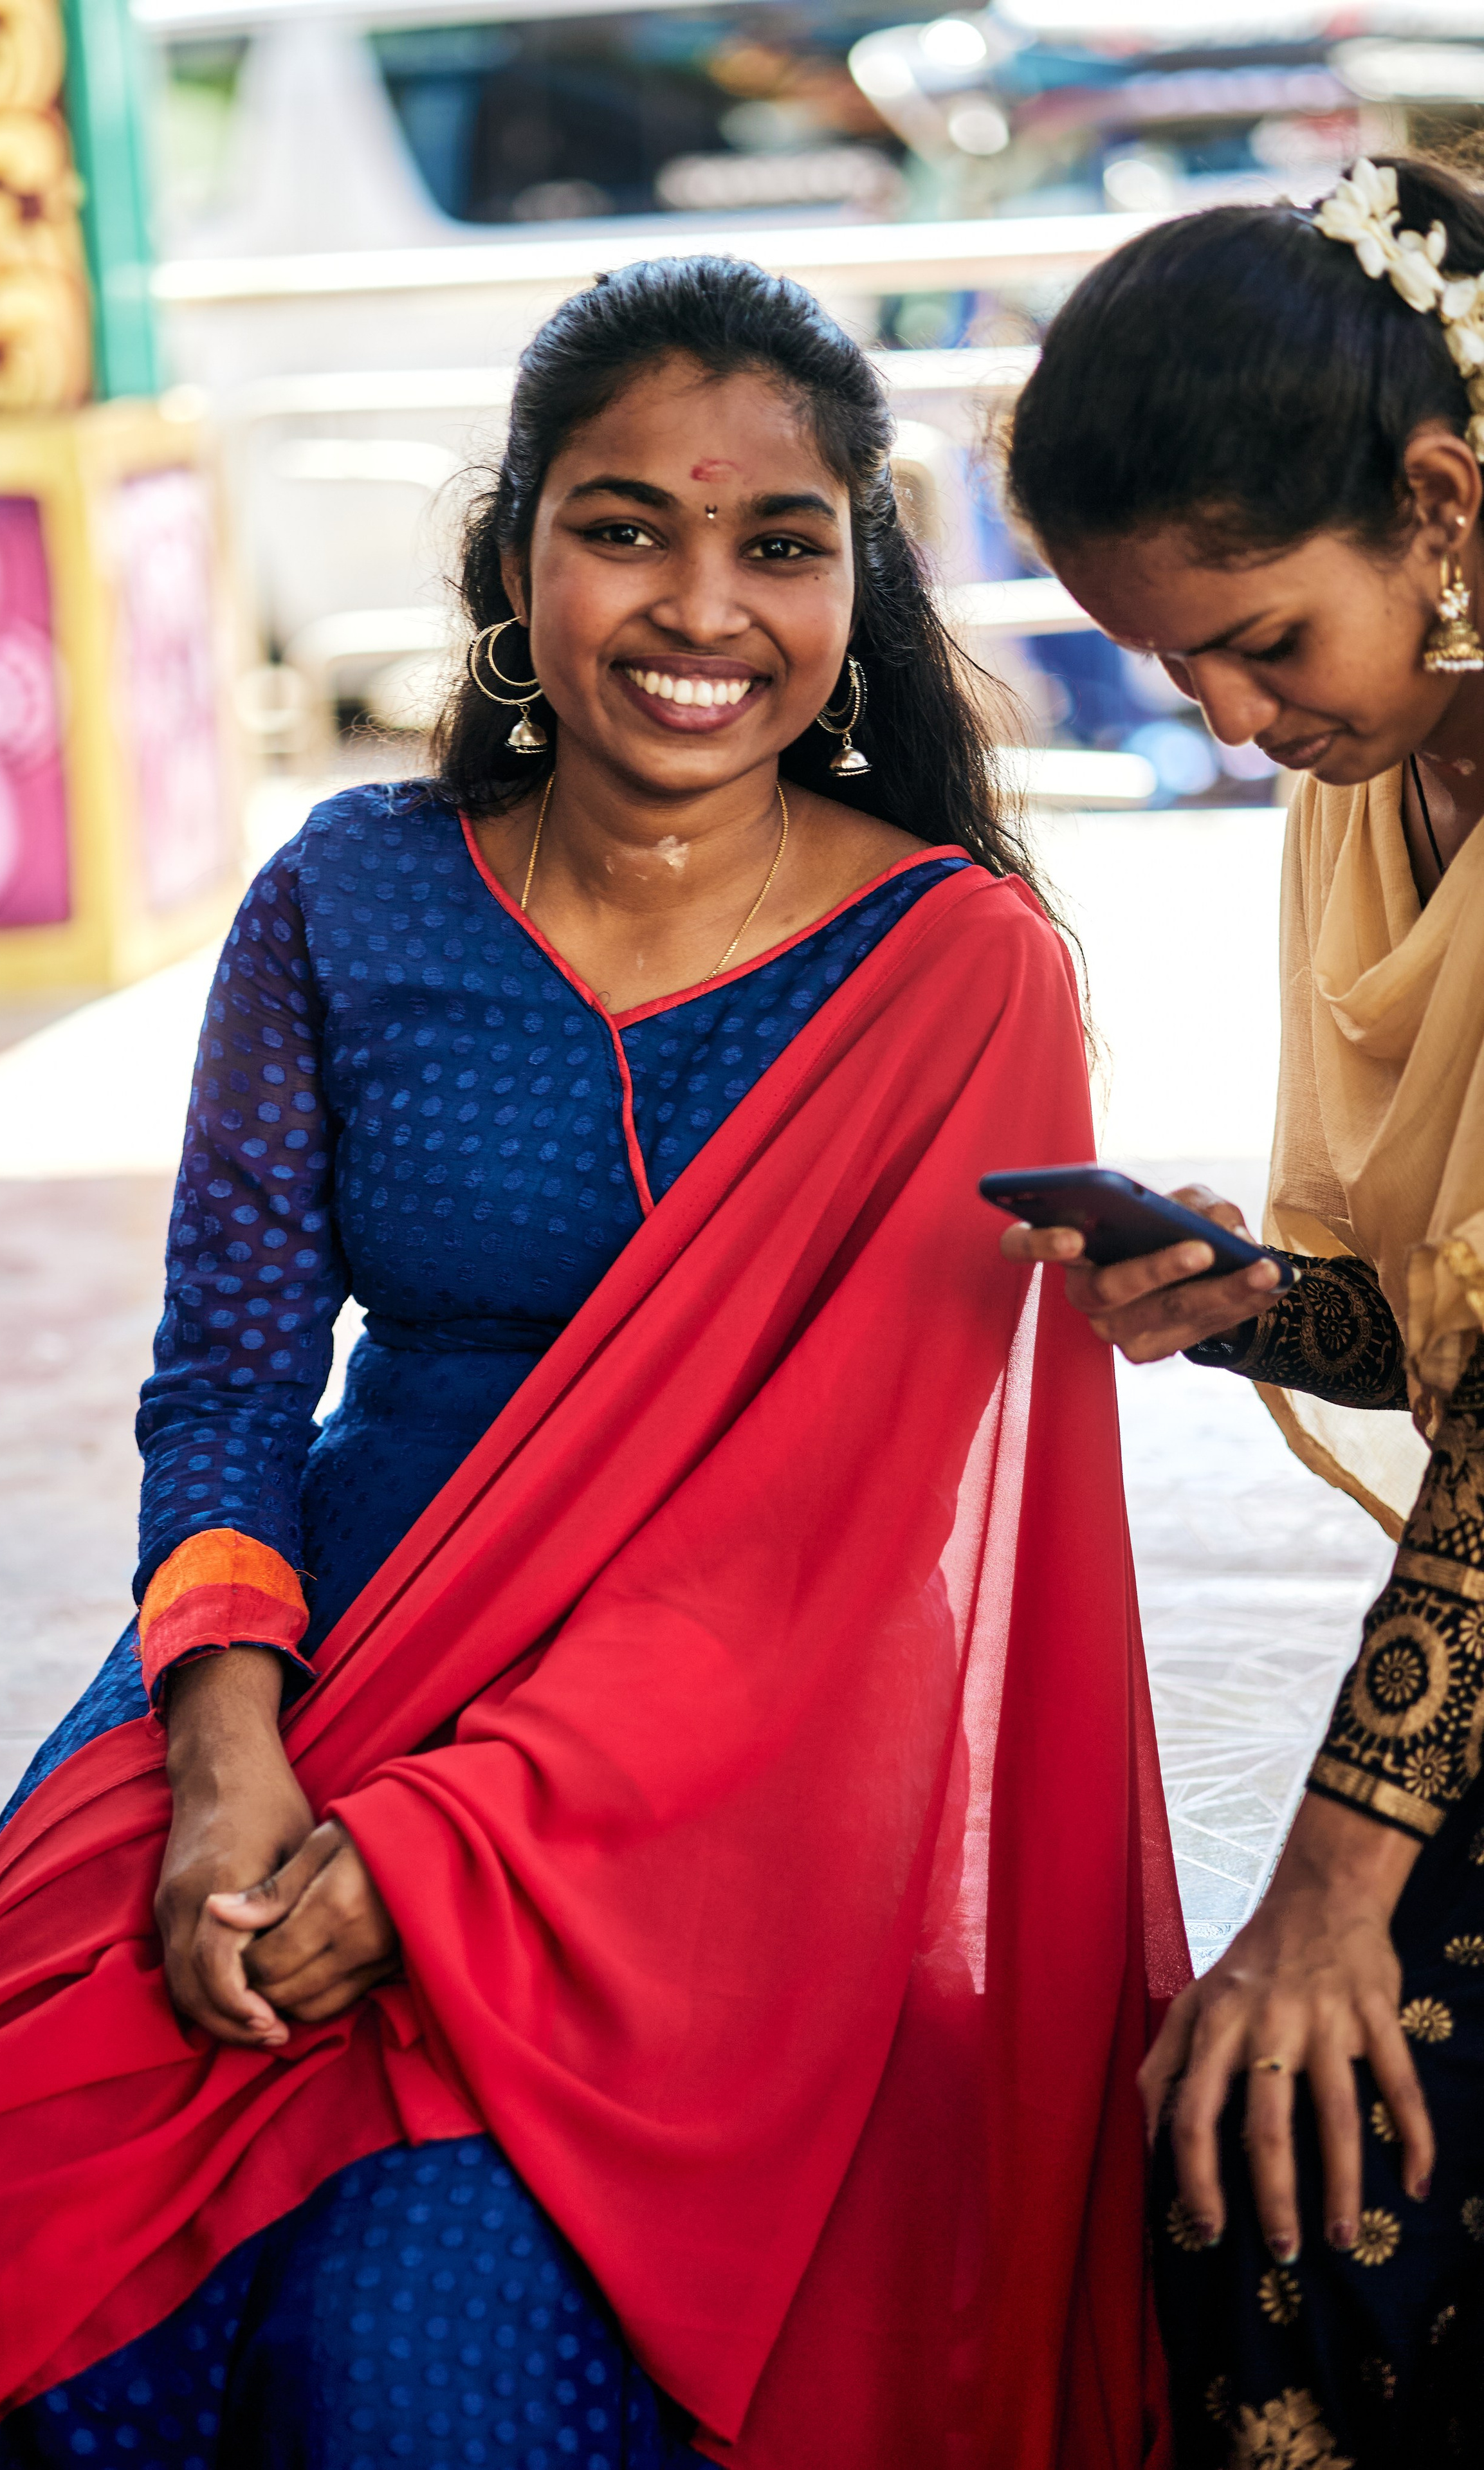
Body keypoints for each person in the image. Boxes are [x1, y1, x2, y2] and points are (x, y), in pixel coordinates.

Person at [0, 257, 1186, 2470]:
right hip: (311, 1666)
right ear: (512, 556)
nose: (703, 605)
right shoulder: (348, 898)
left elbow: (834, 1551)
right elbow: (228, 1389)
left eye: (780, 543)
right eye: (625, 522)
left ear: (860, 581)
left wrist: (455, 1852)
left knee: (419, 2361)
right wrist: (230, 1764)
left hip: (712, 1777)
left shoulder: (952, 969)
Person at [1004, 154, 1484, 2469]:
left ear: (1440, 499)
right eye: (1175, 661)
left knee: (1330, 2156)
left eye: (1261, 641)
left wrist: (1326, 1894)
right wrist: (1263, 1301)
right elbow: (1449, 1342)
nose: (1223, 719)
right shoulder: (1389, 791)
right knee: (1255, 2165)